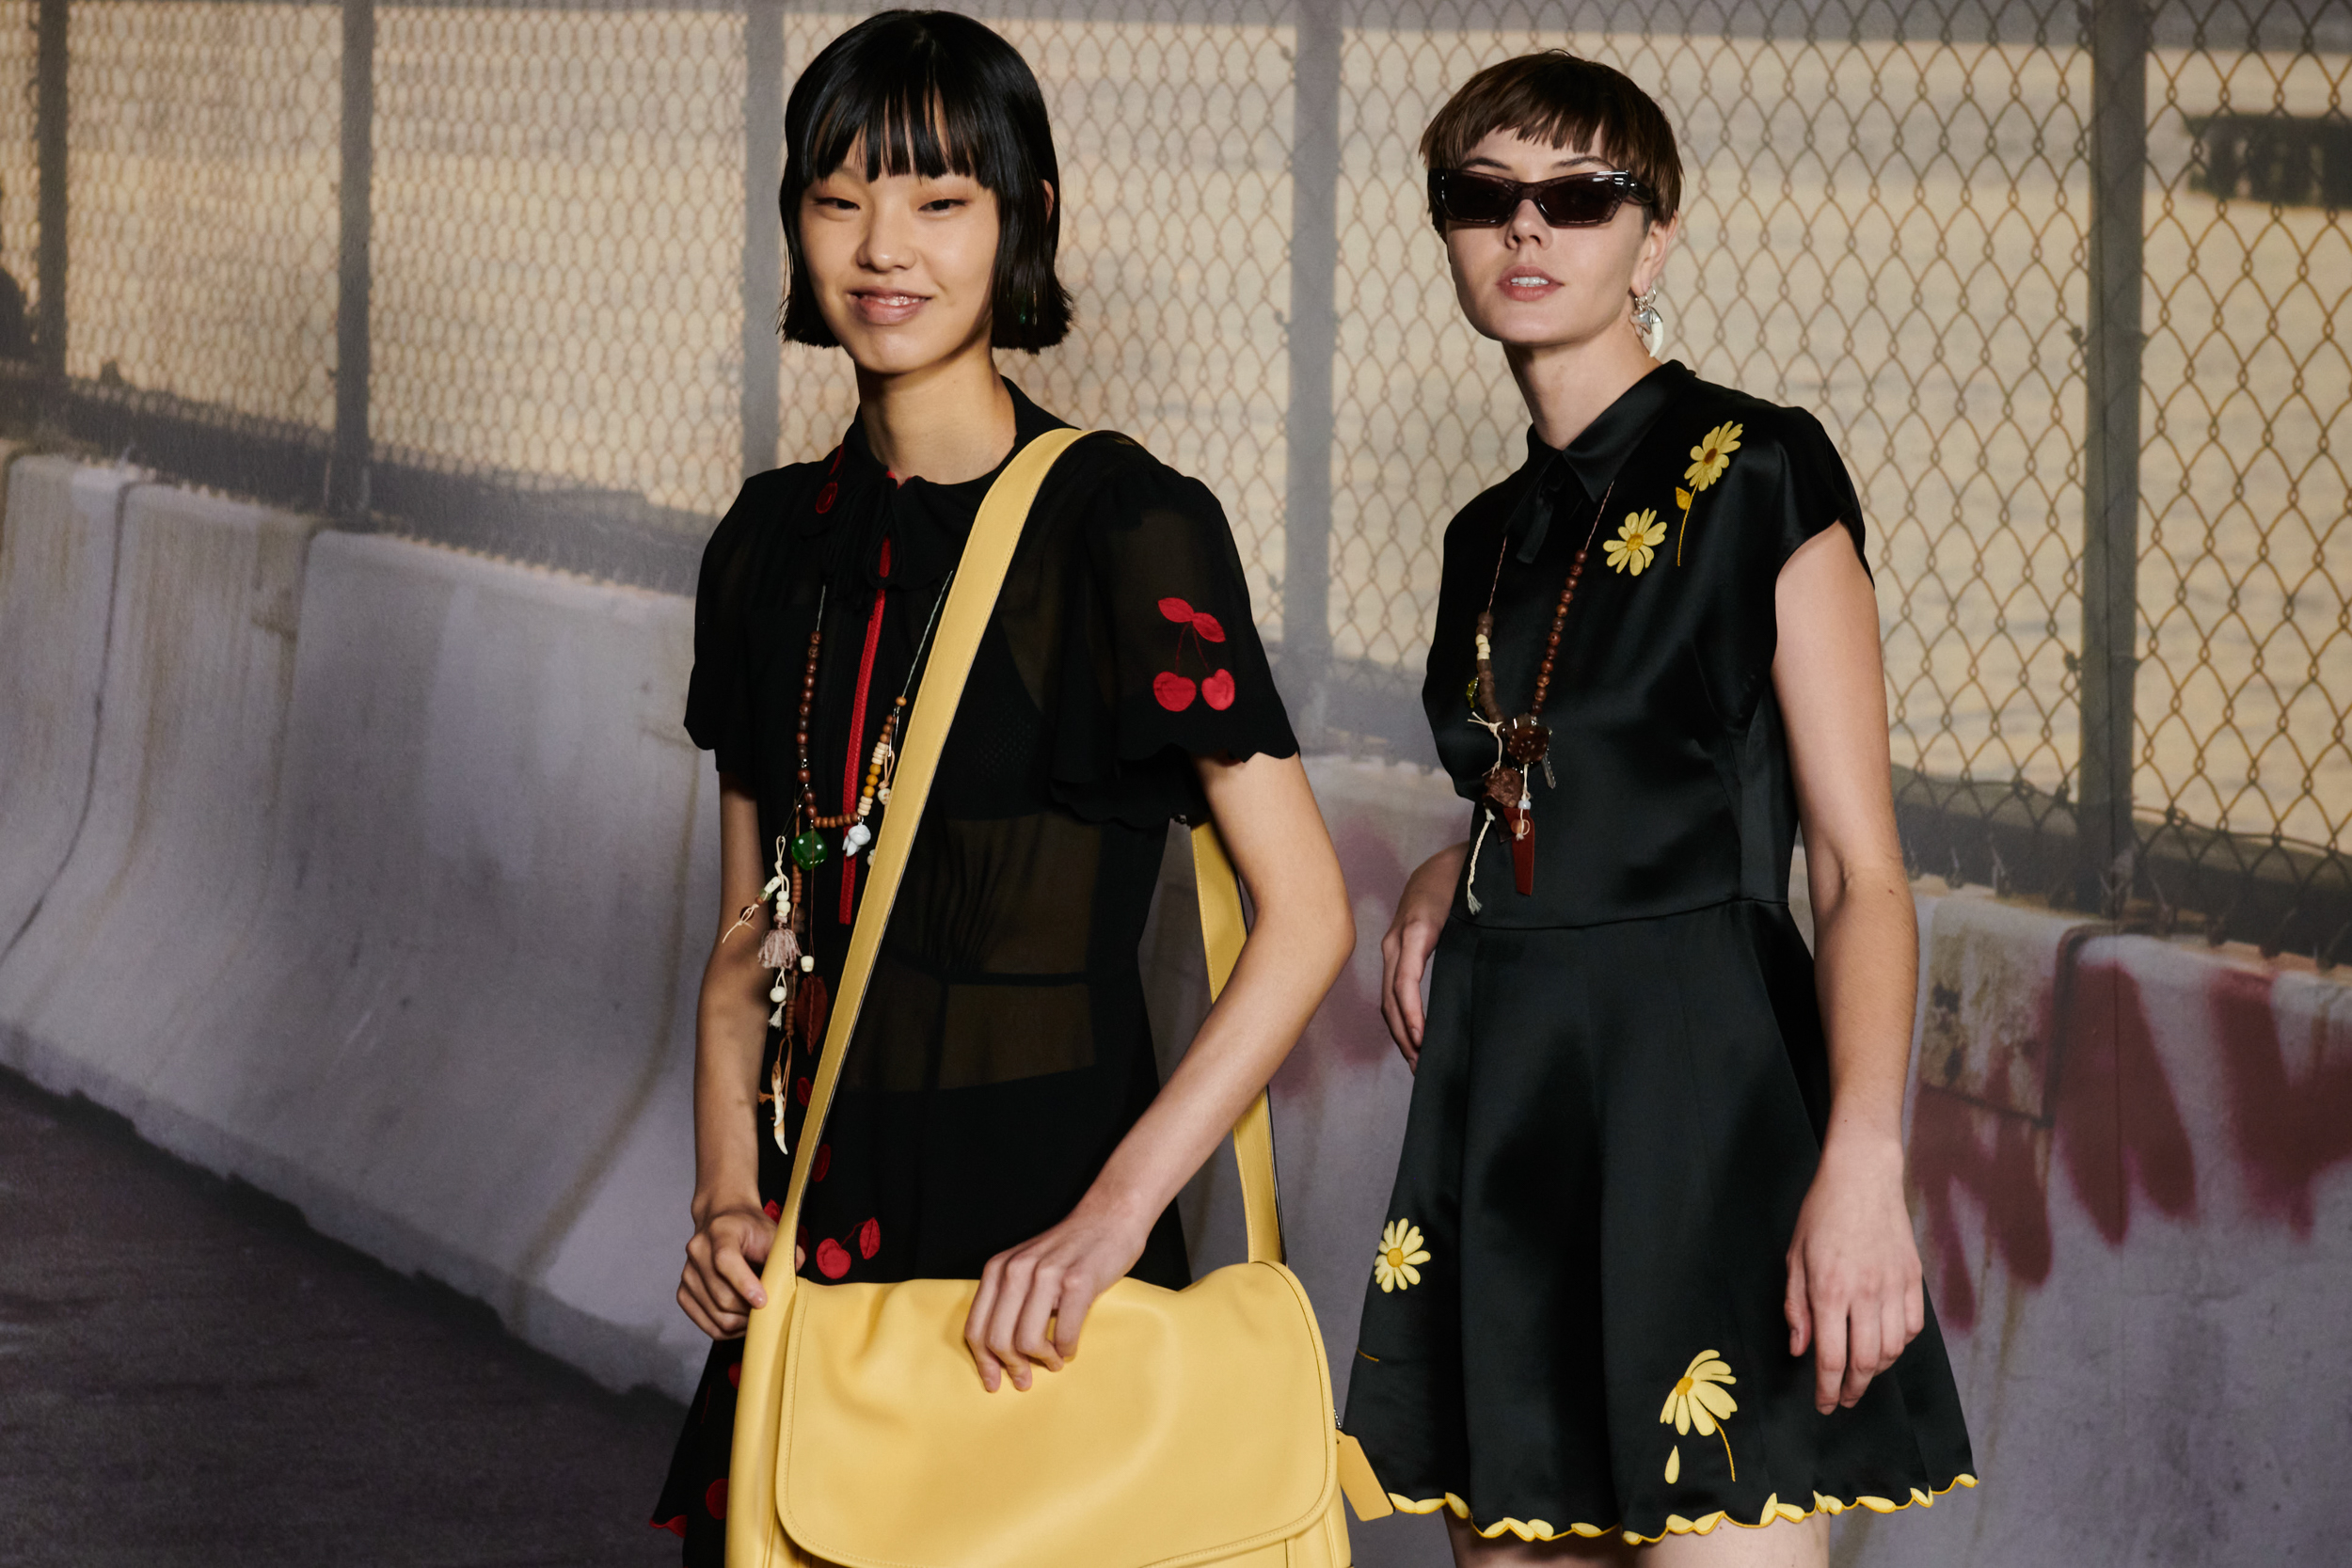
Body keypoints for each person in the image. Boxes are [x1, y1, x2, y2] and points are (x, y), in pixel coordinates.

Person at [647, 12, 1353, 1561]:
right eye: (839, 198)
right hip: (815, 1261)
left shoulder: (1126, 524)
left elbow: (1307, 918)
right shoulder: (763, 547)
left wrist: (1114, 1218)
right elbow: (748, 947)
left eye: (940, 199)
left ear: (1023, 218)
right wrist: (721, 1197)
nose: (882, 246)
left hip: (1047, 1262)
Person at [1343, 52, 1975, 1565]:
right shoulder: (1483, 538)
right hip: (1508, 1118)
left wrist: (1864, 1165)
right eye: (1483, 197)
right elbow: (1563, 784)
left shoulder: (1759, 470)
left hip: (1706, 1111)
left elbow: (1860, 871)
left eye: (1578, 196)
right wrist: (1449, 869)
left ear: (1654, 238)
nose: (1527, 228)